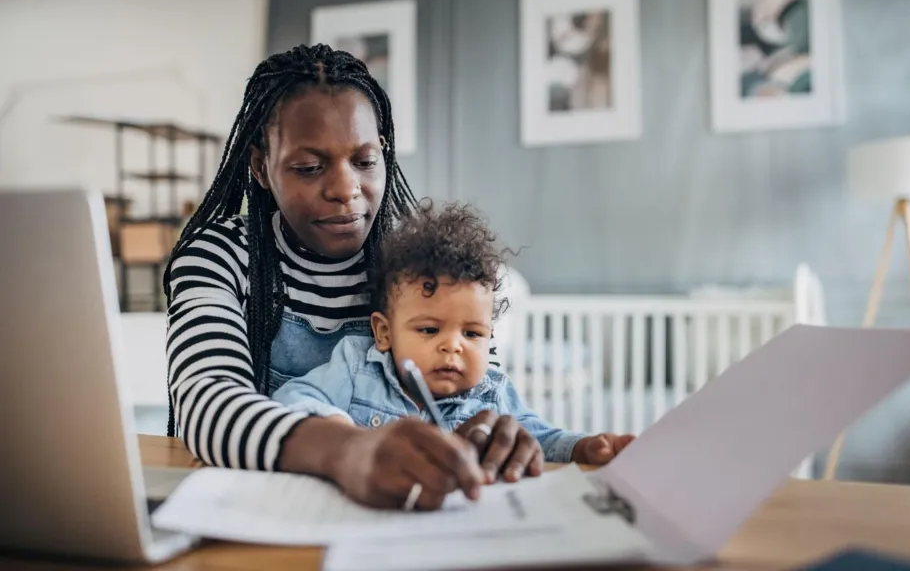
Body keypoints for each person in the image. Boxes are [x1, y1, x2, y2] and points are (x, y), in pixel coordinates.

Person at [164, 44, 541, 511]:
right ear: (261, 168)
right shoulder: (221, 254)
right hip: (264, 512)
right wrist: (348, 451)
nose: (345, 190)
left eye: (364, 161)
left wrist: (491, 431)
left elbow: (485, 386)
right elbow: (207, 405)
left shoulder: (419, 262)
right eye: (308, 167)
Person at [271, 201, 635, 476]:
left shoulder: (493, 394)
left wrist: (585, 448)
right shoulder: (357, 367)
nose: (453, 346)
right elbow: (292, 397)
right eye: (429, 330)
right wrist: (344, 436)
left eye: (472, 333)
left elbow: (541, 439)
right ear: (384, 332)